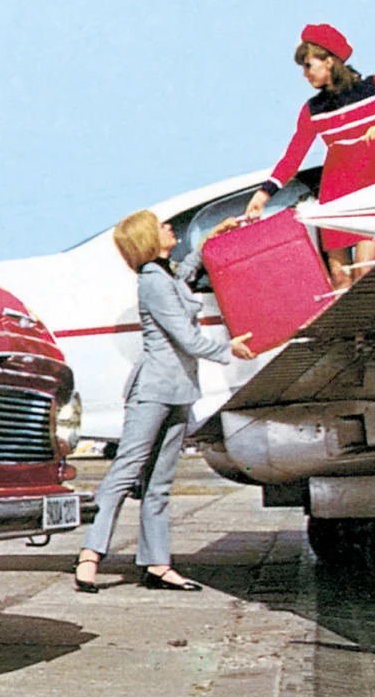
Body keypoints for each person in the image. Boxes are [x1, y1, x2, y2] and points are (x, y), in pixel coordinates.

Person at [74, 209, 254, 594]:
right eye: (160, 226)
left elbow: (185, 274)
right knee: (127, 469)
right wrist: (229, 349)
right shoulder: (152, 282)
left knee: (160, 482)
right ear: (146, 240)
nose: (169, 227)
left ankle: (157, 565)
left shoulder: (166, 276)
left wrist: (209, 242)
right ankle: (90, 554)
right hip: (153, 390)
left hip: (180, 390)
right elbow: (186, 339)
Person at [244, 23, 375, 289]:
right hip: (335, 195)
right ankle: (353, 333)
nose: (304, 74)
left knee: (364, 271)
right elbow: (293, 157)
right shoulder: (313, 109)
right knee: (340, 279)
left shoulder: (374, 87)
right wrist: (263, 194)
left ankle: (372, 330)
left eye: (308, 65)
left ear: (329, 61)